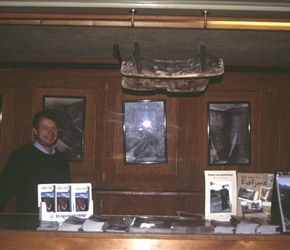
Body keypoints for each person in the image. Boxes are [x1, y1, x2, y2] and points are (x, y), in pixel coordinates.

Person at [0, 110, 71, 213]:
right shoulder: (21, 156)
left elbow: (66, 193)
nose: (50, 132)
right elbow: (4, 190)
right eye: (45, 128)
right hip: (28, 222)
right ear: (35, 131)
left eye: (54, 128)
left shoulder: (62, 160)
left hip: (57, 223)